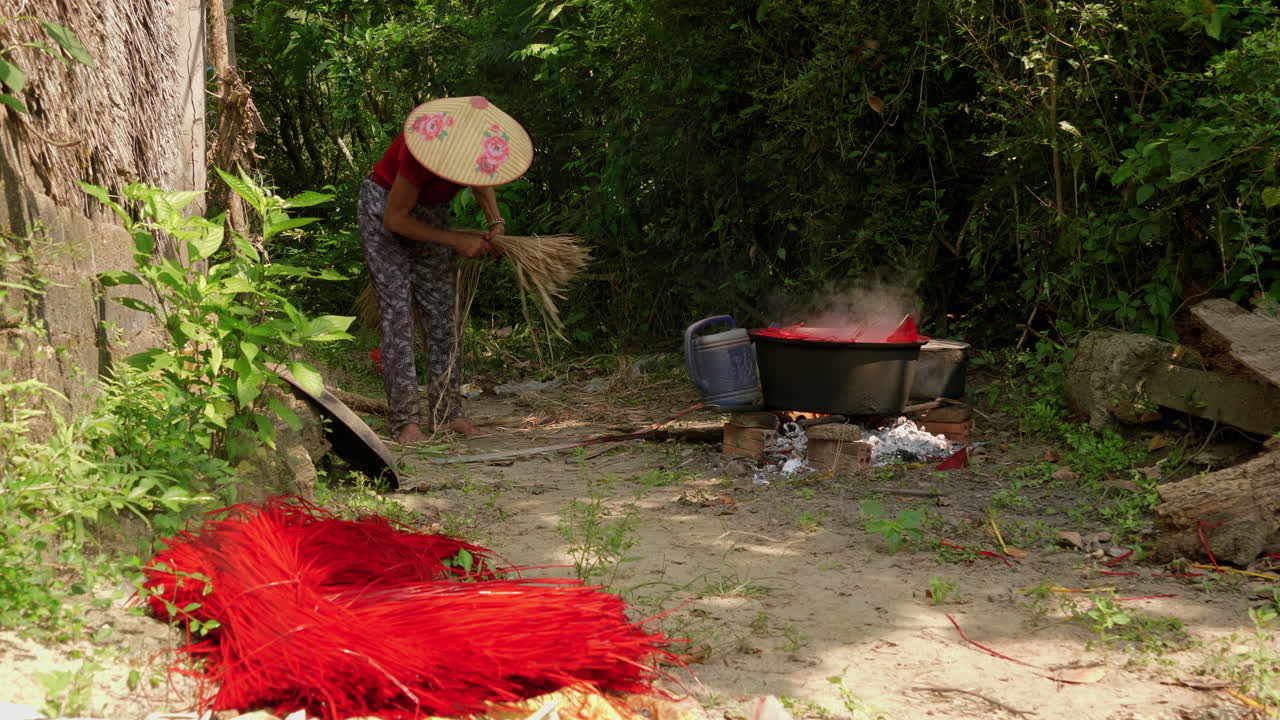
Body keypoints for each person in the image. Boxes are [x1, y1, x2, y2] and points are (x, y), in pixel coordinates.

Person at [357, 96, 533, 444]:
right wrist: (455, 240)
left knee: (443, 317)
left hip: (431, 215)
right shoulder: (422, 147)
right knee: (399, 320)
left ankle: (447, 415)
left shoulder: (476, 151)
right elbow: (396, 219)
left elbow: (480, 178)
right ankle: (406, 423)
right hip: (384, 213)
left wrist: (494, 220)